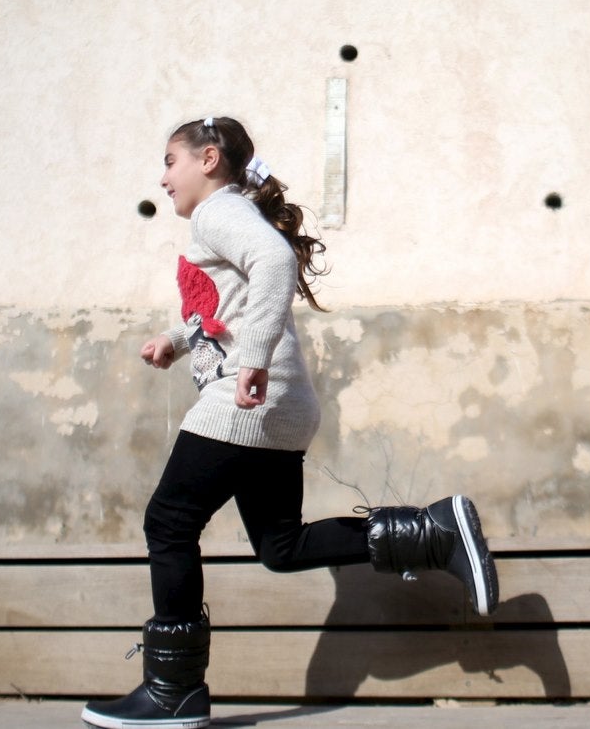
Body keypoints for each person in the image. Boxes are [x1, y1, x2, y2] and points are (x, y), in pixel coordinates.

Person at [81, 115, 497, 729]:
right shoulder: (229, 214)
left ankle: (173, 692)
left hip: (247, 398)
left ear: (209, 159)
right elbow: (228, 307)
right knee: (281, 547)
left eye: (170, 161)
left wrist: (250, 362)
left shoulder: (217, 212)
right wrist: (175, 338)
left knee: (168, 523)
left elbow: (274, 262)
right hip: (279, 403)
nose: (163, 178)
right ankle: (431, 532)